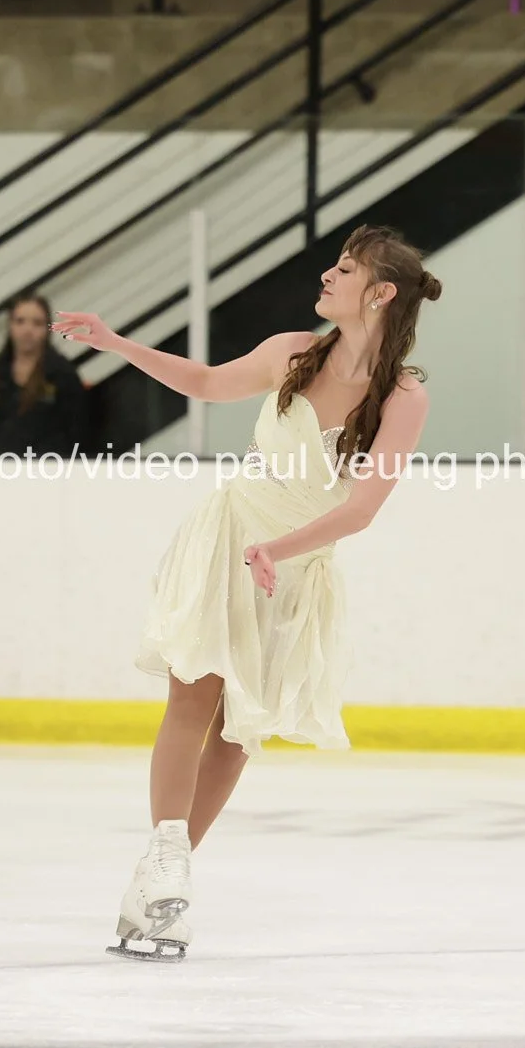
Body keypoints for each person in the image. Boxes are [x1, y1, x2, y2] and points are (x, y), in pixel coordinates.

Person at [51, 223, 441, 963]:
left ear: (381, 293)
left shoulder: (403, 397)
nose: (328, 275)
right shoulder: (292, 352)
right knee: (193, 697)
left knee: (236, 734)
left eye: (346, 269)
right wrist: (116, 342)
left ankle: (159, 881)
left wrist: (279, 552)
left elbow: (362, 509)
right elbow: (204, 382)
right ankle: (167, 864)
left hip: (291, 568)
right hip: (229, 540)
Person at [0, 292, 89, 459]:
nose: (28, 330)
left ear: (47, 329)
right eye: (20, 321)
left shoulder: (63, 375)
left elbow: (76, 432)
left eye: (37, 323)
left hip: (49, 468)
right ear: (10, 326)